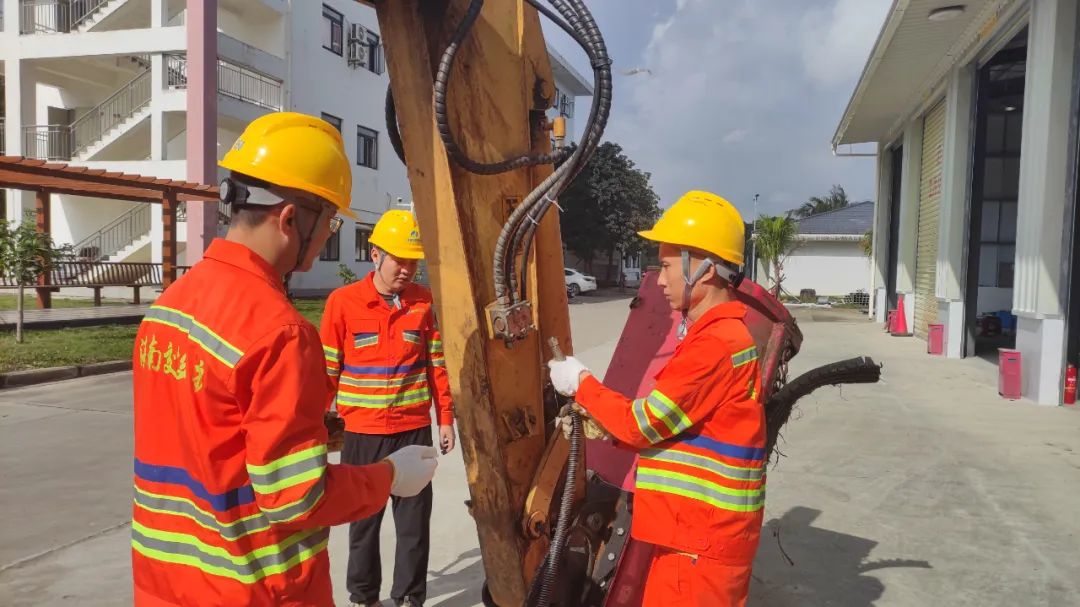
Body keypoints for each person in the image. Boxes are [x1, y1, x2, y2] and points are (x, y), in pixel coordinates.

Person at [131, 112, 439, 607]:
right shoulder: (281, 333)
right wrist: (390, 476)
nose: (328, 236)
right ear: (291, 218)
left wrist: (312, 429)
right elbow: (297, 498)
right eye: (330, 222)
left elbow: (211, 437)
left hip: (164, 585)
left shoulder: (168, 309)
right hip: (255, 588)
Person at [547, 191, 766, 607]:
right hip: (699, 536)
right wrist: (606, 427)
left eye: (666, 267)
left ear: (703, 268)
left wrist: (581, 383)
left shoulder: (715, 344)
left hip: (698, 546)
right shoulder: (720, 336)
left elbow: (642, 425)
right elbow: (675, 425)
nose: (660, 280)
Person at [320, 209, 455, 607]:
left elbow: (437, 365)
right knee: (363, 522)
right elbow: (326, 371)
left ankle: (409, 597)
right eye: (400, 260)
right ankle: (364, 597)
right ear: (375, 254)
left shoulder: (423, 303)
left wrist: (445, 419)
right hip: (362, 434)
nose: (407, 269)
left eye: (413, 261)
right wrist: (315, 425)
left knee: (413, 524)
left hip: (413, 432)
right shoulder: (343, 303)